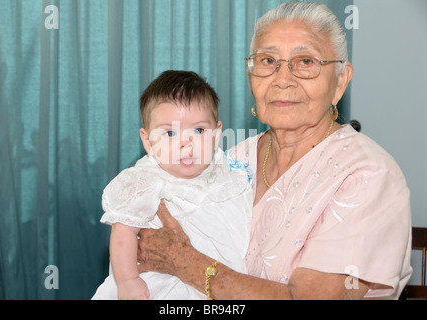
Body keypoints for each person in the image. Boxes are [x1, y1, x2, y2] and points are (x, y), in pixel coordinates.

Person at [137, 1, 412, 299]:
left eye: (306, 61)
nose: (282, 80)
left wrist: (188, 263)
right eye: (268, 61)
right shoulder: (230, 161)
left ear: (340, 80)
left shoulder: (367, 176)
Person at [92, 70, 253, 300]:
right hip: (162, 286)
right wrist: (128, 281)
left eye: (198, 130)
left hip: (221, 283)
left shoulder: (226, 173)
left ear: (216, 135)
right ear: (148, 142)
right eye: (169, 132)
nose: (185, 143)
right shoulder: (146, 180)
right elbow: (123, 232)